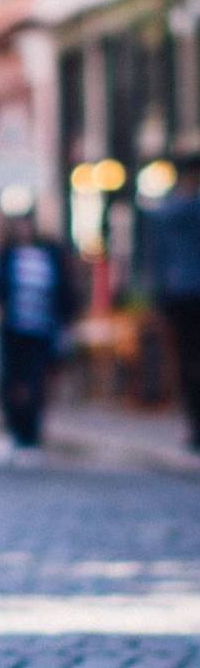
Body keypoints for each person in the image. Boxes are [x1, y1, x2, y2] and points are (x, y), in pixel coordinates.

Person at [0, 214, 77, 466]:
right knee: (11, 384)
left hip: (41, 330)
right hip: (13, 330)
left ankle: (31, 437)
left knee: (36, 384)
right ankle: (11, 433)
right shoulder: (8, 254)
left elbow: (64, 292)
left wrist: (64, 323)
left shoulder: (49, 254)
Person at [144, 159, 200, 454]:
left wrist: (159, 296)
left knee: (187, 362)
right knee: (189, 361)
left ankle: (194, 425)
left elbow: (158, 258)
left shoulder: (167, 213)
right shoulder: (174, 213)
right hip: (182, 296)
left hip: (178, 295)